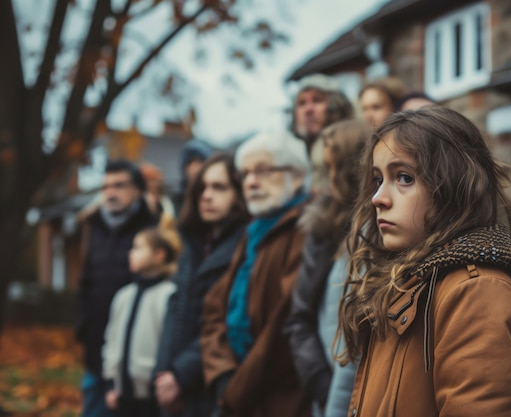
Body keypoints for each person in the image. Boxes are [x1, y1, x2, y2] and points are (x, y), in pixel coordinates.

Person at [337, 106, 511, 417]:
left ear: (450, 186)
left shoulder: (477, 291)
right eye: (378, 179)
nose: (378, 197)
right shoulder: (407, 283)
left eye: (404, 177)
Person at [200, 131, 311, 417]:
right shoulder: (253, 231)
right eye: (244, 173)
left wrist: (234, 393)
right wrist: (222, 374)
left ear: (297, 176)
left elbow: (284, 326)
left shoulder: (305, 229)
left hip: (280, 401)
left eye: (263, 170)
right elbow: (214, 308)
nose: (250, 182)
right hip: (239, 390)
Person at [285, 119, 370, 417]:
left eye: (337, 167)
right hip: (329, 391)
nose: (330, 178)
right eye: (326, 168)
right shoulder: (322, 230)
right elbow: (300, 318)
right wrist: (321, 384)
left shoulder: (378, 234)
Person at [153, 153, 250, 417]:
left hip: (212, 386)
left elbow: (227, 322)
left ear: (238, 193)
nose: (207, 195)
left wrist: (180, 376)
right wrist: (164, 374)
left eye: (219, 187)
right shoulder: (192, 246)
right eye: (202, 187)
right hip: (176, 387)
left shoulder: (245, 246)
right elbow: (175, 310)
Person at [77, 160, 160, 417]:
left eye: (119, 185)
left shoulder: (151, 227)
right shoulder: (94, 225)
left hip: (136, 355)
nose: (110, 192)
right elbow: (85, 280)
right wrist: (83, 327)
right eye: (105, 186)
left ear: (137, 190)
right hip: (95, 347)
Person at [102, 227, 180, 417]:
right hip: (123, 395)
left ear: (159, 255)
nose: (131, 253)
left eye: (138, 248)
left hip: (153, 398)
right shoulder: (123, 296)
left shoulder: (169, 295)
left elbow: (170, 344)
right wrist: (112, 383)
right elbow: (111, 341)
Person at [290, 74, 353, 193]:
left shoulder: (347, 142)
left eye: (317, 100)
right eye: (302, 103)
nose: (308, 109)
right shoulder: (296, 150)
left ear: (337, 105)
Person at [172, 139, 213, 215]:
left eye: (199, 162)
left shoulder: (211, 194)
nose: (195, 167)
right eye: (190, 162)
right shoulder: (177, 197)